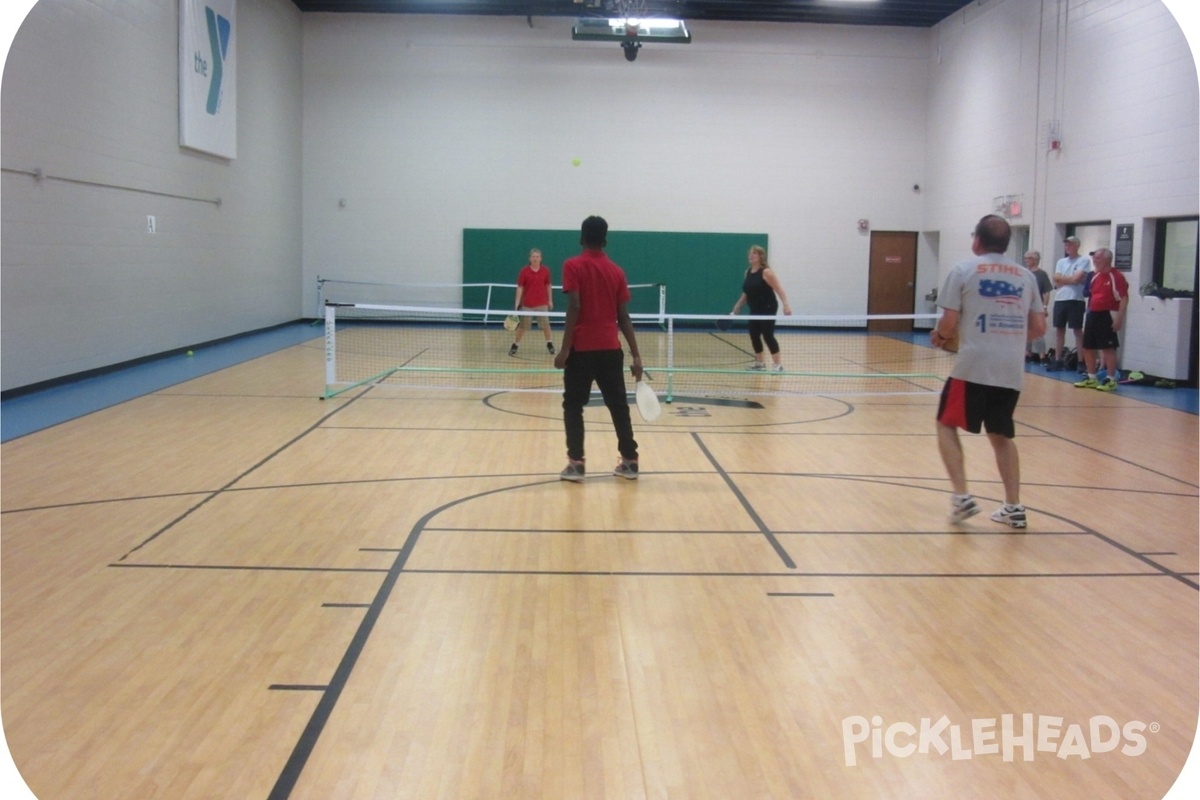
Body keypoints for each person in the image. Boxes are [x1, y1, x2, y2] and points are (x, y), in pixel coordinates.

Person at [931, 214, 1046, 529]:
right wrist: (1006, 338)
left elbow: (949, 322)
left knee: (945, 424)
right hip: (1010, 369)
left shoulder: (964, 270)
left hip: (973, 365)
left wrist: (941, 337)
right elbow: (1038, 327)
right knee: (1001, 434)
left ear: (977, 241)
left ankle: (961, 497)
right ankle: (1014, 506)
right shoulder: (1026, 276)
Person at [554, 216, 644, 482]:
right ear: (605, 240)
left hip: (581, 350)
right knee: (618, 405)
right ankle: (629, 461)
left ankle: (576, 464)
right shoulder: (616, 271)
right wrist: (636, 355)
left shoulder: (572, 265)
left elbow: (575, 306)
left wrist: (564, 348)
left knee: (573, 405)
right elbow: (624, 317)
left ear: (581, 238)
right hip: (610, 349)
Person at [729, 245, 793, 371]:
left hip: (768, 308)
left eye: (754, 253)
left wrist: (786, 305)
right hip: (755, 308)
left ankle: (777, 365)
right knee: (754, 334)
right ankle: (760, 363)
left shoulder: (766, 272)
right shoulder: (747, 272)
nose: (751, 255)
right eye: (750, 253)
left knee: (767, 335)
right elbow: (747, 292)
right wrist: (738, 305)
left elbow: (779, 289)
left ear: (761, 257)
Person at [1074, 247, 1129, 392]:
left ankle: (1111, 380)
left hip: (1107, 314)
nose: (1094, 260)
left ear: (1106, 259)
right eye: (1094, 258)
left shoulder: (1116, 276)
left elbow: (1124, 297)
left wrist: (1119, 318)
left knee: (1107, 348)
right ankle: (1092, 378)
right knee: (1087, 346)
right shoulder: (1095, 276)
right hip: (1093, 313)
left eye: (1098, 258)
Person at [1047, 235, 1090, 371]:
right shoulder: (1061, 261)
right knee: (1059, 329)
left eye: (1070, 244)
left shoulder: (1083, 260)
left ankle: (1081, 361)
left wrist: (1063, 280)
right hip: (1060, 298)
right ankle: (1058, 359)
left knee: (1077, 330)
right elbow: (1055, 278)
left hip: (1075, 299)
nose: (1067, 247)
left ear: (1077, 245)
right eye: (1066, 245)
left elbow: (1076, 279)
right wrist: (1069, 279)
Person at [509, 248, 555, 357]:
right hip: (527, 305)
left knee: (546, 326)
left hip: (542, 304)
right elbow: (520, 287)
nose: (535, 259)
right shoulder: (524, 271)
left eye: (537, 257)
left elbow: (548, 285)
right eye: (533, 257)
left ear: (541, 258)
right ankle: (515, 345)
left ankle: (549, 344)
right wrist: (517, 302)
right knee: (523, 327)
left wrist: (550, 300)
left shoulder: (545, 270)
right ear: (530, 258)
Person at [1023, 251, 1053, 363]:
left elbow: (1047, 292)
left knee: (1038, 332)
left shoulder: (1041, 274)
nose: (1026, 260)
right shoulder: (1024, 273)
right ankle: (1027, 353)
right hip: (1025, 305)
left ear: (1035, 259)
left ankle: (1042, 355)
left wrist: (1045, 307)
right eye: (1025, 258)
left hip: (1037, 306)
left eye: (1029, 258)